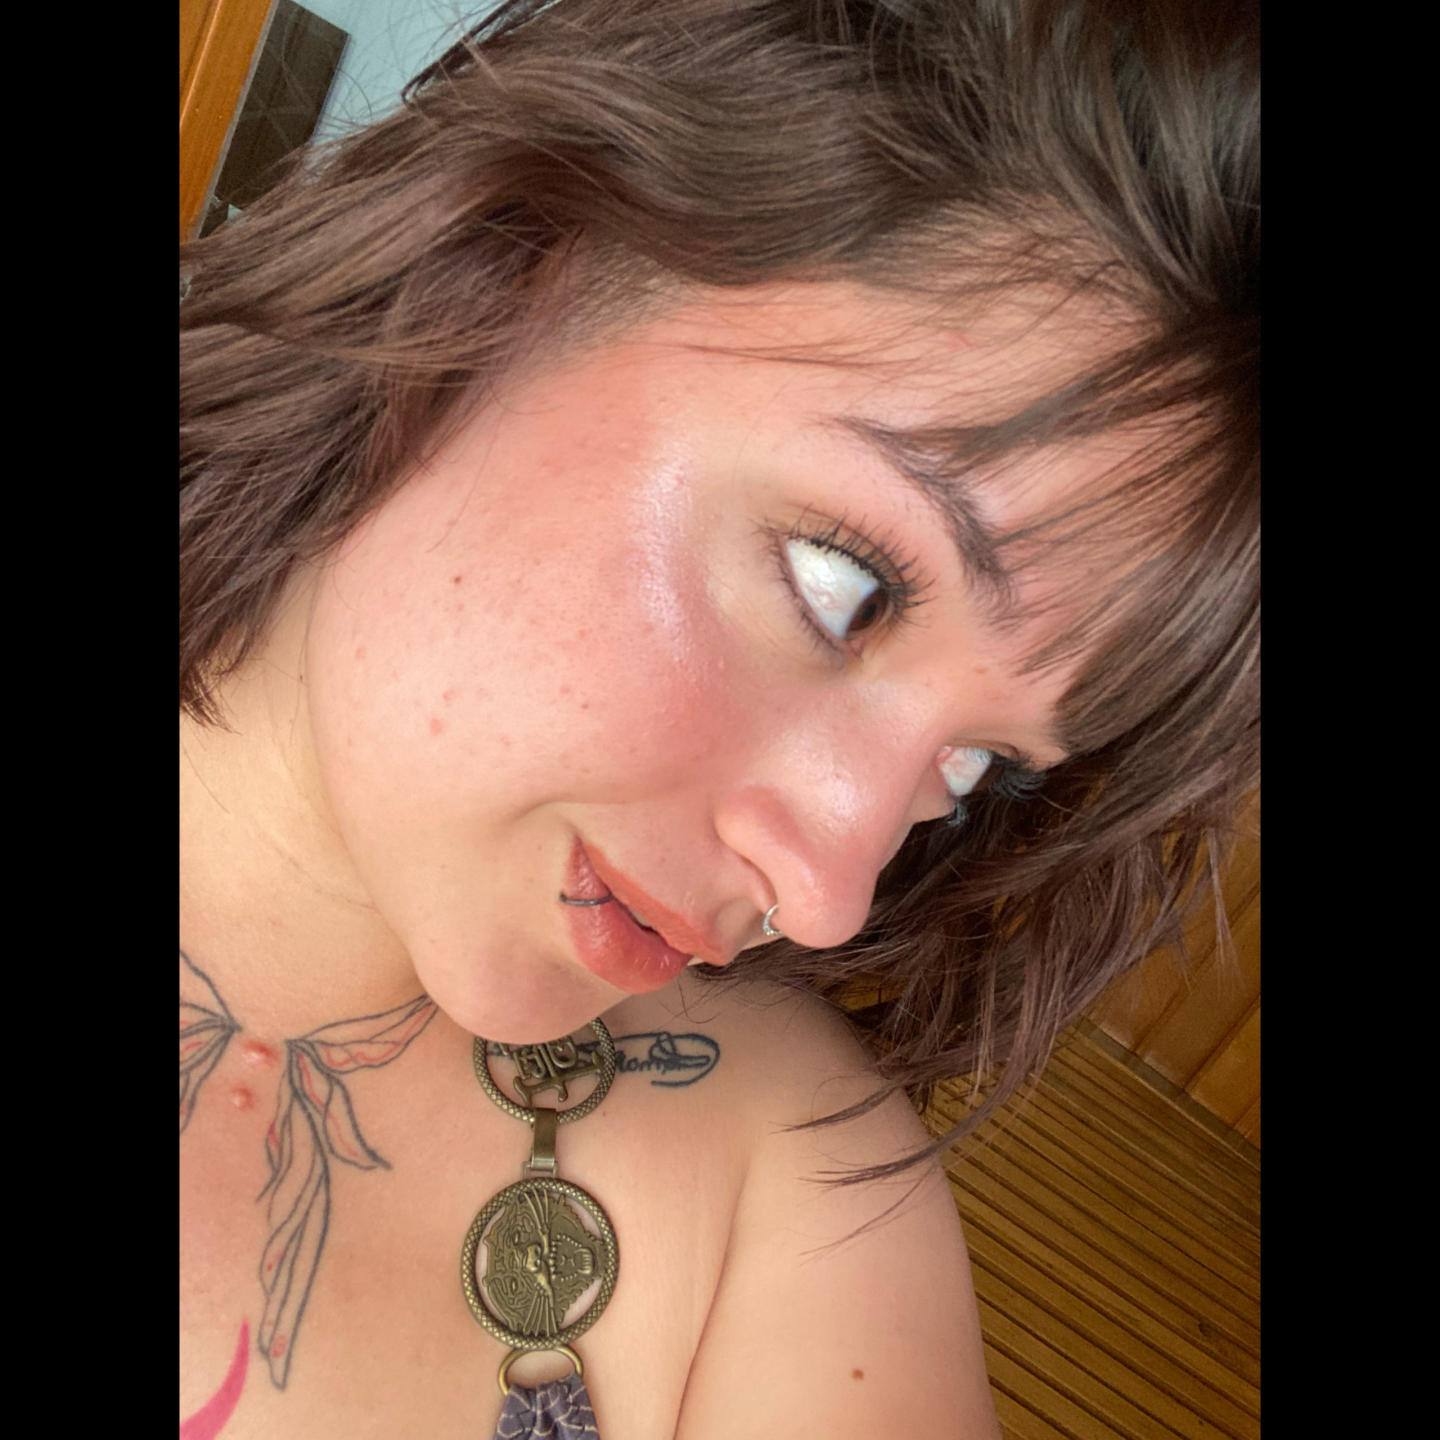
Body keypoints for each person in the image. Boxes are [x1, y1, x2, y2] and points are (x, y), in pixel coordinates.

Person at [179, 0, 1259, 1435]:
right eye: (844, 586)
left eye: (976, 765)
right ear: (524, 252)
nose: (826, 894)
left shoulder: (795, 1189)